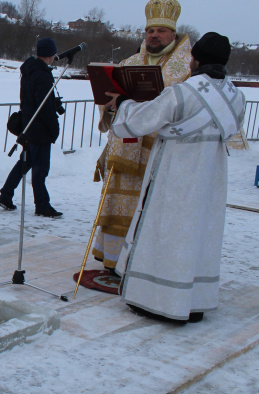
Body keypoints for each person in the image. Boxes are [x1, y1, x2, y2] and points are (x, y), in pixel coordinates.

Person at [106, 32, 244, 323]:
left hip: (175, 178)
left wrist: (123, 104)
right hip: (210, 182)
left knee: (166, 235)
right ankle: (193, 303)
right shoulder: (236, 96)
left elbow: (141, 120)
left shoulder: (184, 92)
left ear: (194, 59)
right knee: (199, 236)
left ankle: (157, 301)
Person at [91, 0, 191, 272]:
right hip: (124, 148)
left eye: (161, 30)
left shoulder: (185, 69)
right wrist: (109, 104)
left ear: (173, 34)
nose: (154, 36)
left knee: (149, 208)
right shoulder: (130, 62)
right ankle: (112, 261)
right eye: (150, 31)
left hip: (158, 151)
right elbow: (109, 100)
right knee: (117, 203)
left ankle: (142, 264)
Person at [0, 37, 62, 218]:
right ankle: (42, 205)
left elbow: (32, 100)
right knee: (40, 168)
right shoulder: (42, 75)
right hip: (39, 128)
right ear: (51, 54)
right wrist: (53, 127)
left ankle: (6, 194)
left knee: (25, 162)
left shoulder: (29, 71)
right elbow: (43, 106)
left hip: (28, 124)